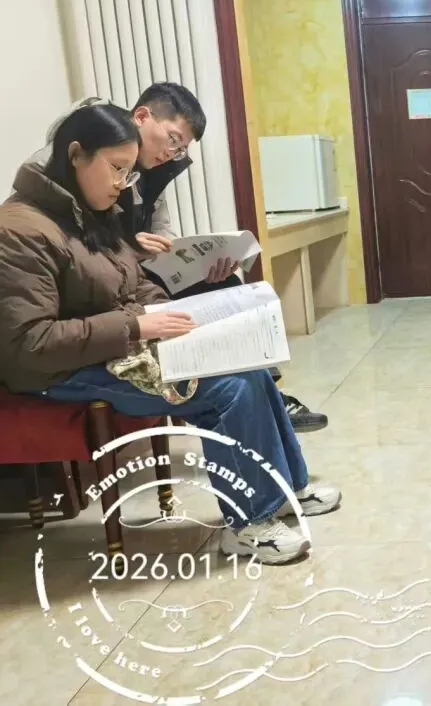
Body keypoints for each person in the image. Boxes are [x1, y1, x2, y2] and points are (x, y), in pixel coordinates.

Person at [0, 104, 340, 564]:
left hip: (110, 348)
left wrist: (178, 313)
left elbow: (131, 283)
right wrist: (136, 325)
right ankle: (248, 524)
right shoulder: (19, 230)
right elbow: (29, 343)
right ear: (76, 155)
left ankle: (284, 490)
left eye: (128, 172)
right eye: (116, 169)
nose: (123, 183)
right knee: (227, 391)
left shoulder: (90, 212)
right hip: (59, 371)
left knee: (251, 369)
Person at [21, 85, 327, 433]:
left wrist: (195, 263)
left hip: (133, 279)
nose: (172, 153)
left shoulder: (146, 175)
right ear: (141, 117)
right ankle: (253, 396)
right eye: (172, 140)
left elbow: (161, 237)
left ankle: (266, 393)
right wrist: (127, 250)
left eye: (181, 148)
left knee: (227, 289)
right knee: (224, 374)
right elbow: (76, 250)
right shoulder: (52, 193)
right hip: (106, 296)